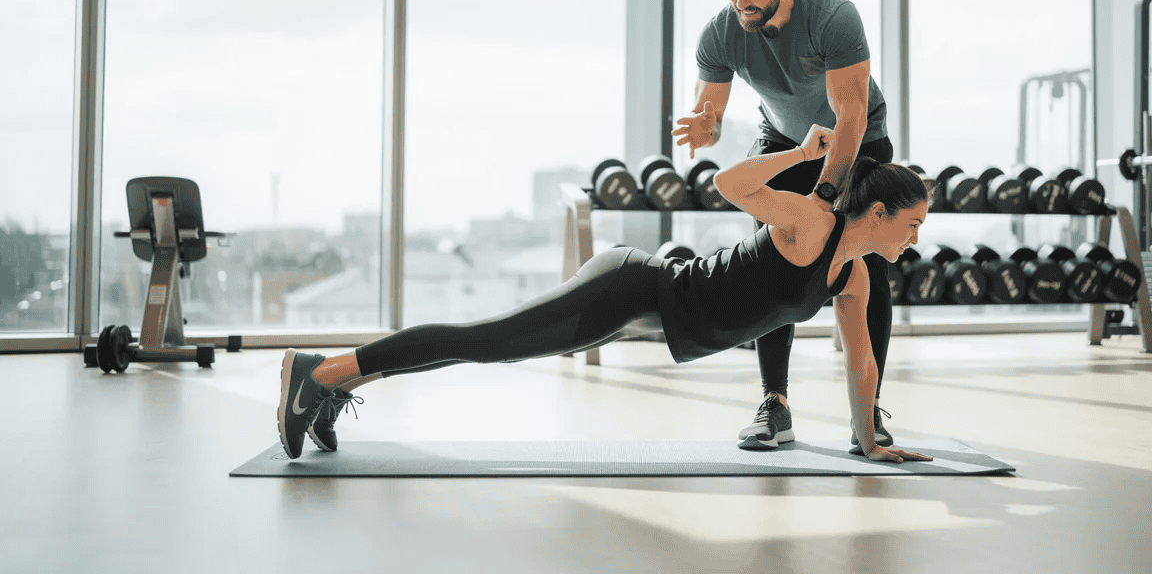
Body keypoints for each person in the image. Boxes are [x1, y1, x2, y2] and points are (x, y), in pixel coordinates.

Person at [277, 125, 931, 464]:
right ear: (877, 212)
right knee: (489, 342)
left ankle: (331, 382)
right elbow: (731, 183)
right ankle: (322, 373)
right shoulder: (814, 223)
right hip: (633, 289)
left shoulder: (854, 275)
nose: (916, 237)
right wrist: (799, 152)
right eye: (913, 223)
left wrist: (868, 441)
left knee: (491, 347)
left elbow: (861, 363)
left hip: (648, 312)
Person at [672, 0, 898, 450]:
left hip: (860, 139)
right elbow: (710, 107)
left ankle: (869, 410)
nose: (739, 2)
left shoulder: (832, 17)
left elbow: (851, 115)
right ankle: (775, 404)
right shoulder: (721, 31)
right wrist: (706, 124)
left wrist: (823, 196)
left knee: (867, 268)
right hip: (783, 137)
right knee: (773, 266)